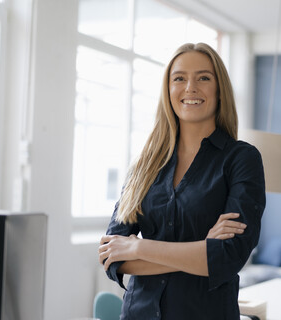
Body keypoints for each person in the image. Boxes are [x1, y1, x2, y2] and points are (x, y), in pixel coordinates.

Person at [98, 42, 266, 319]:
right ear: (168, 90)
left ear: (219, 89)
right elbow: (112, 257)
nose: (190, 87)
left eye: (203, 78)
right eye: (179, 78)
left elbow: (228, 257)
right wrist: (201, 251)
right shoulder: (145, 164)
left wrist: (139, 246)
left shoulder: (241, 159)